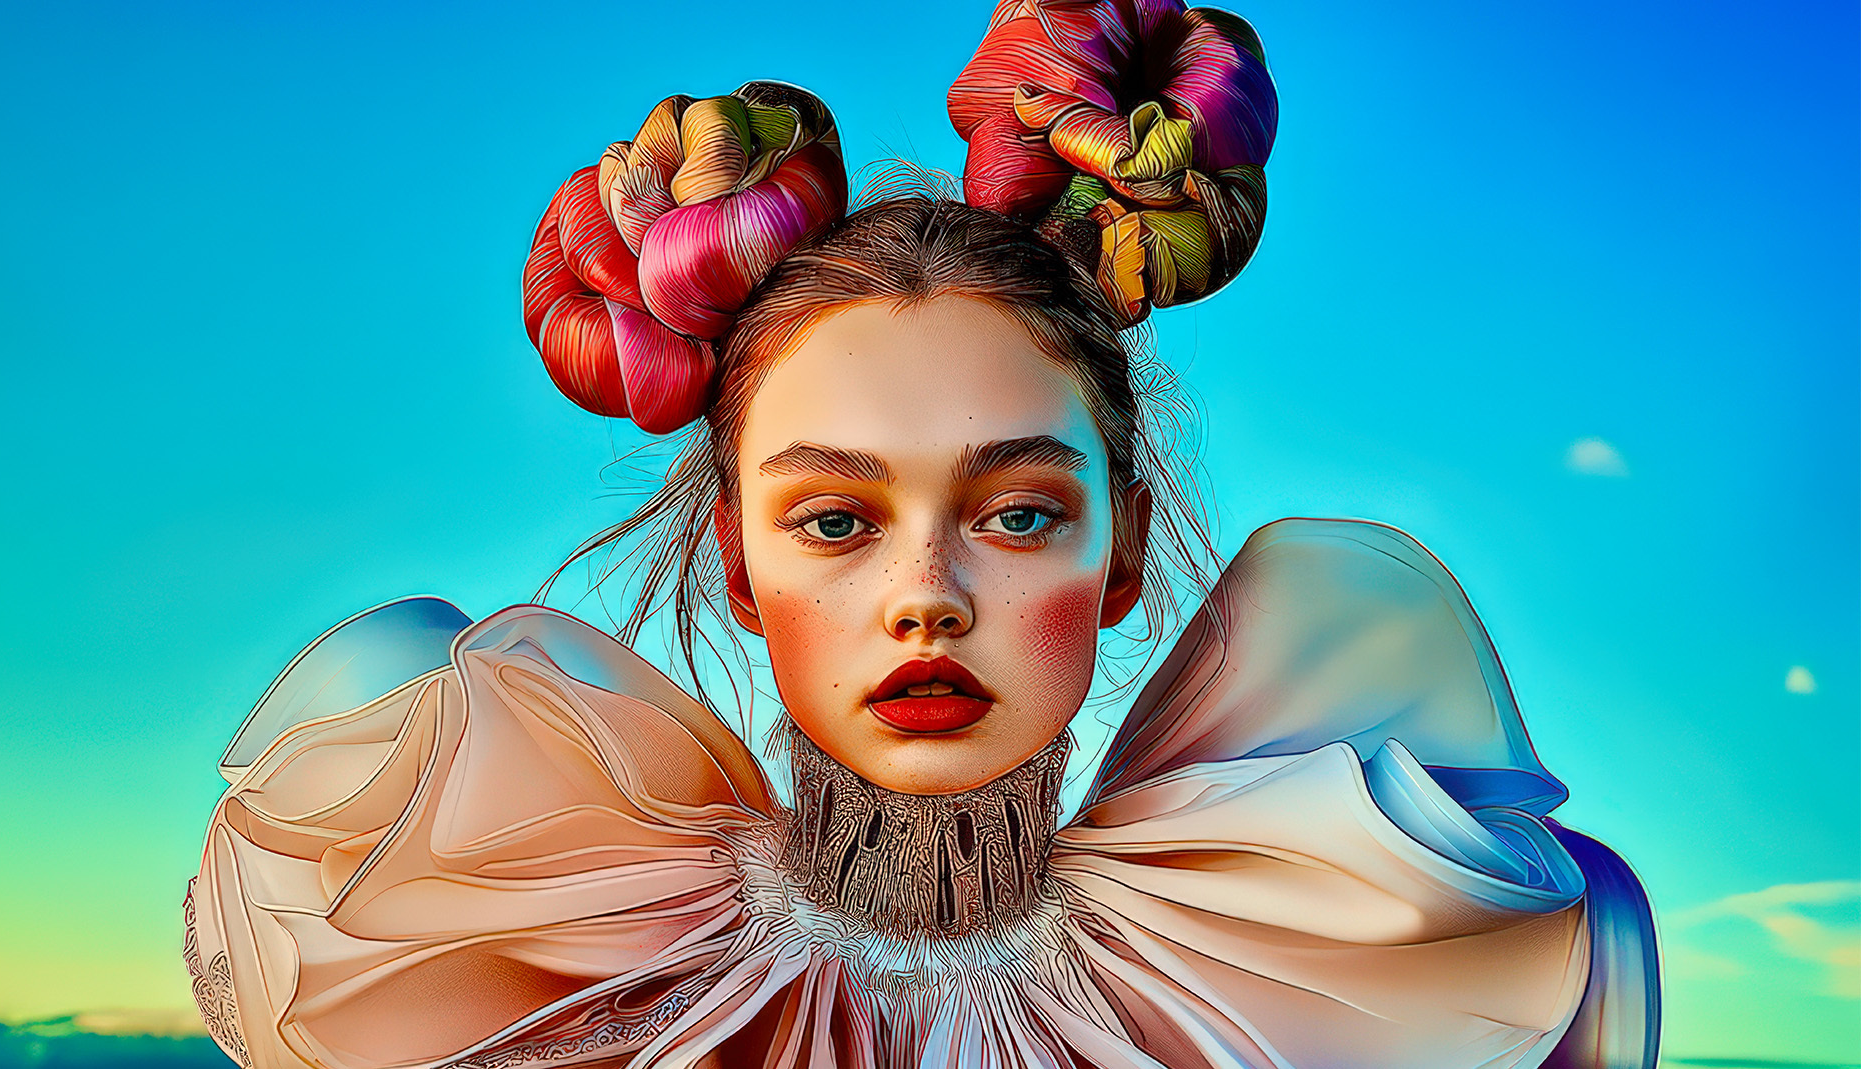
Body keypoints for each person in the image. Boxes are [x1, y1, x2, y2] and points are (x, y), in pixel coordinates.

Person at [184, 3, 1660, 1066]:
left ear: (1126, 551)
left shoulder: (1322, 944)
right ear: (738, 562)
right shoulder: (537, 940)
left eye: (1020, 512)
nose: (926, 596)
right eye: (835, 517)